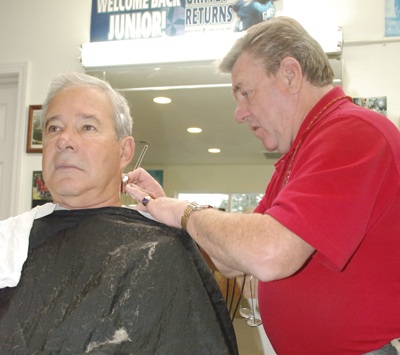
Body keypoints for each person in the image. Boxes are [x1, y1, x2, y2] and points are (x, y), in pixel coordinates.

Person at [124, 17, 400, 354]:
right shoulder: (297, 153)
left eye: (246, 93)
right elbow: (232, 259)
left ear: (290, 73)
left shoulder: (353, 131)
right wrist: (166, 205)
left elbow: (270, 254)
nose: (239, 113)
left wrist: (181, 210)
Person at [0, 72, 238, 354]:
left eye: (87, 127)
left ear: (125, 151)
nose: (64, 140)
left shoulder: (162, 249)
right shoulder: (8, 242)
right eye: (53, 128)